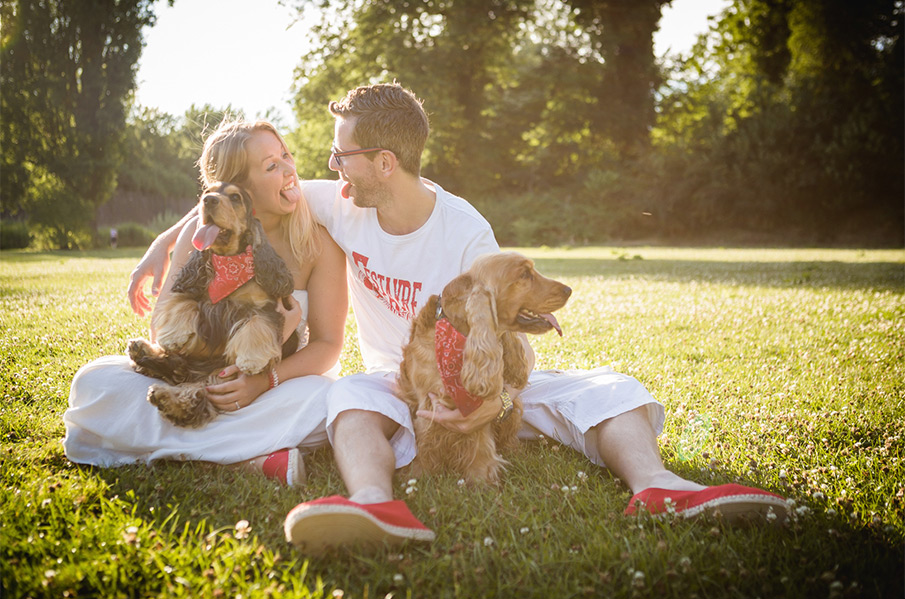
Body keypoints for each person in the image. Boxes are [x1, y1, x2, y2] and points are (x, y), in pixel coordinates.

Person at [128, 84, 789, 553]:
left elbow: (501, 343)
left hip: (479, 387)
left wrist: (494, 400)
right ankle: (372, 503)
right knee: (350, 395)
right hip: (397, 383)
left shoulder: (467, 234)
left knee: (610, 387)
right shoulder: (338, 203)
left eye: (341, 155)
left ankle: (658, 486)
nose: (328, 167)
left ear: (384, 163)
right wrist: (156, 254)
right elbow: (226, 199)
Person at [64, 120, 348, 487]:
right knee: (96, 381)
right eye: (271, 166)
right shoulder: (197, 238)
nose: (289, 170)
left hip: (278, 388)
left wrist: (264, 380)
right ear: (238, 191)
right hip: (194, 376)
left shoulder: (317, 243)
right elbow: (163, 331)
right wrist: (222, 366)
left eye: (285, 155)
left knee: (326, 398)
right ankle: (239, 460)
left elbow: (329, 345)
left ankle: (188, 448)